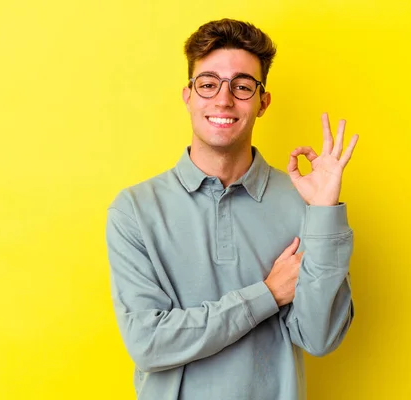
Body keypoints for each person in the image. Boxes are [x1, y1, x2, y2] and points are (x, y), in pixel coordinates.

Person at [106, 18, 359, 400]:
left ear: (263, 102)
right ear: (188, 95)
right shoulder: (136, 209)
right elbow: (149, 343)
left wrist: (324, 213)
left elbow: (320, 339)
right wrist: (267, 295)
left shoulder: (301, 200)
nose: (223, 100)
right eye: (208, 84)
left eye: (242, 86)